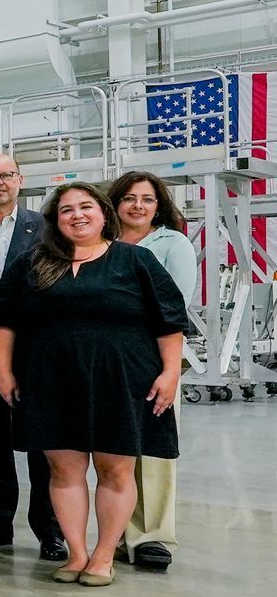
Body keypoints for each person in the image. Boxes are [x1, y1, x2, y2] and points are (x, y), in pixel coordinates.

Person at [0, 183, 186, 585]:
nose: (77, 215)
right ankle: (77, 553)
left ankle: (103, 555)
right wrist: (5, 371)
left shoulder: (136, 260)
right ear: (55, 220)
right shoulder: (33, 262)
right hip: (51, 381)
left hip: (123, 380)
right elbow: (3, 318)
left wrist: (170, 373)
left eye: (85, 207)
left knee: (115, 469)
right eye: (66, 210)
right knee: (64, 470)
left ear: (103, 214)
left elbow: (169, 321)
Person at [0, 153, 66, 561]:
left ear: (20, 180)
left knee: (42, 446)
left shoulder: (45, 227)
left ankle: (49, 530)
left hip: (34, 349)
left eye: (6, 175)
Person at [110, 169, 197, 573]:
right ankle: (119, 533)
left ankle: (153, 536)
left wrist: (169, 369)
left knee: (155, 451)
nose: (137, 206)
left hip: (156, 361)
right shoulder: (102, 245)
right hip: (111, 362)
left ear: (158, 204)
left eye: (146, 199)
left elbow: (173, 307)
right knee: (116, 452)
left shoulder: (172, 243)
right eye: (129, 198)